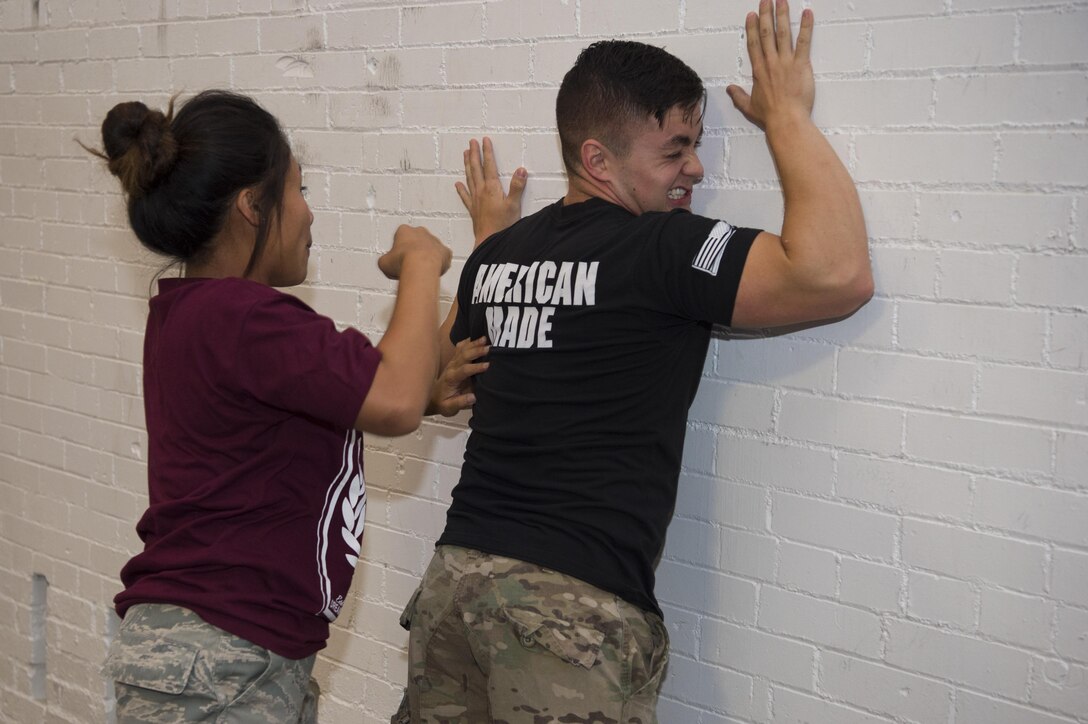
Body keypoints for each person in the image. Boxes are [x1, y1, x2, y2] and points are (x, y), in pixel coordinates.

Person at [394, 1, 873, 722]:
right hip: (563, 612)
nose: (695, 167)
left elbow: (423, 382)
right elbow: (836, 274)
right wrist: (788, 119)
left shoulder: (497, 255)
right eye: (676, 148)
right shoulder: (660, 248)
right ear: (598, 160)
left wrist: (495, 243)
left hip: (456, 586)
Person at [87, 89, 486, 723]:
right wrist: (419, 263)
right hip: (219, 661)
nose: (307, 214)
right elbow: (394, 399)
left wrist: (485, 251)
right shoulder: (243, 316)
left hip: (238, 658)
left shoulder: (202, 315)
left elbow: (394, 386)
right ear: (252, 205)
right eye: (298, 191)